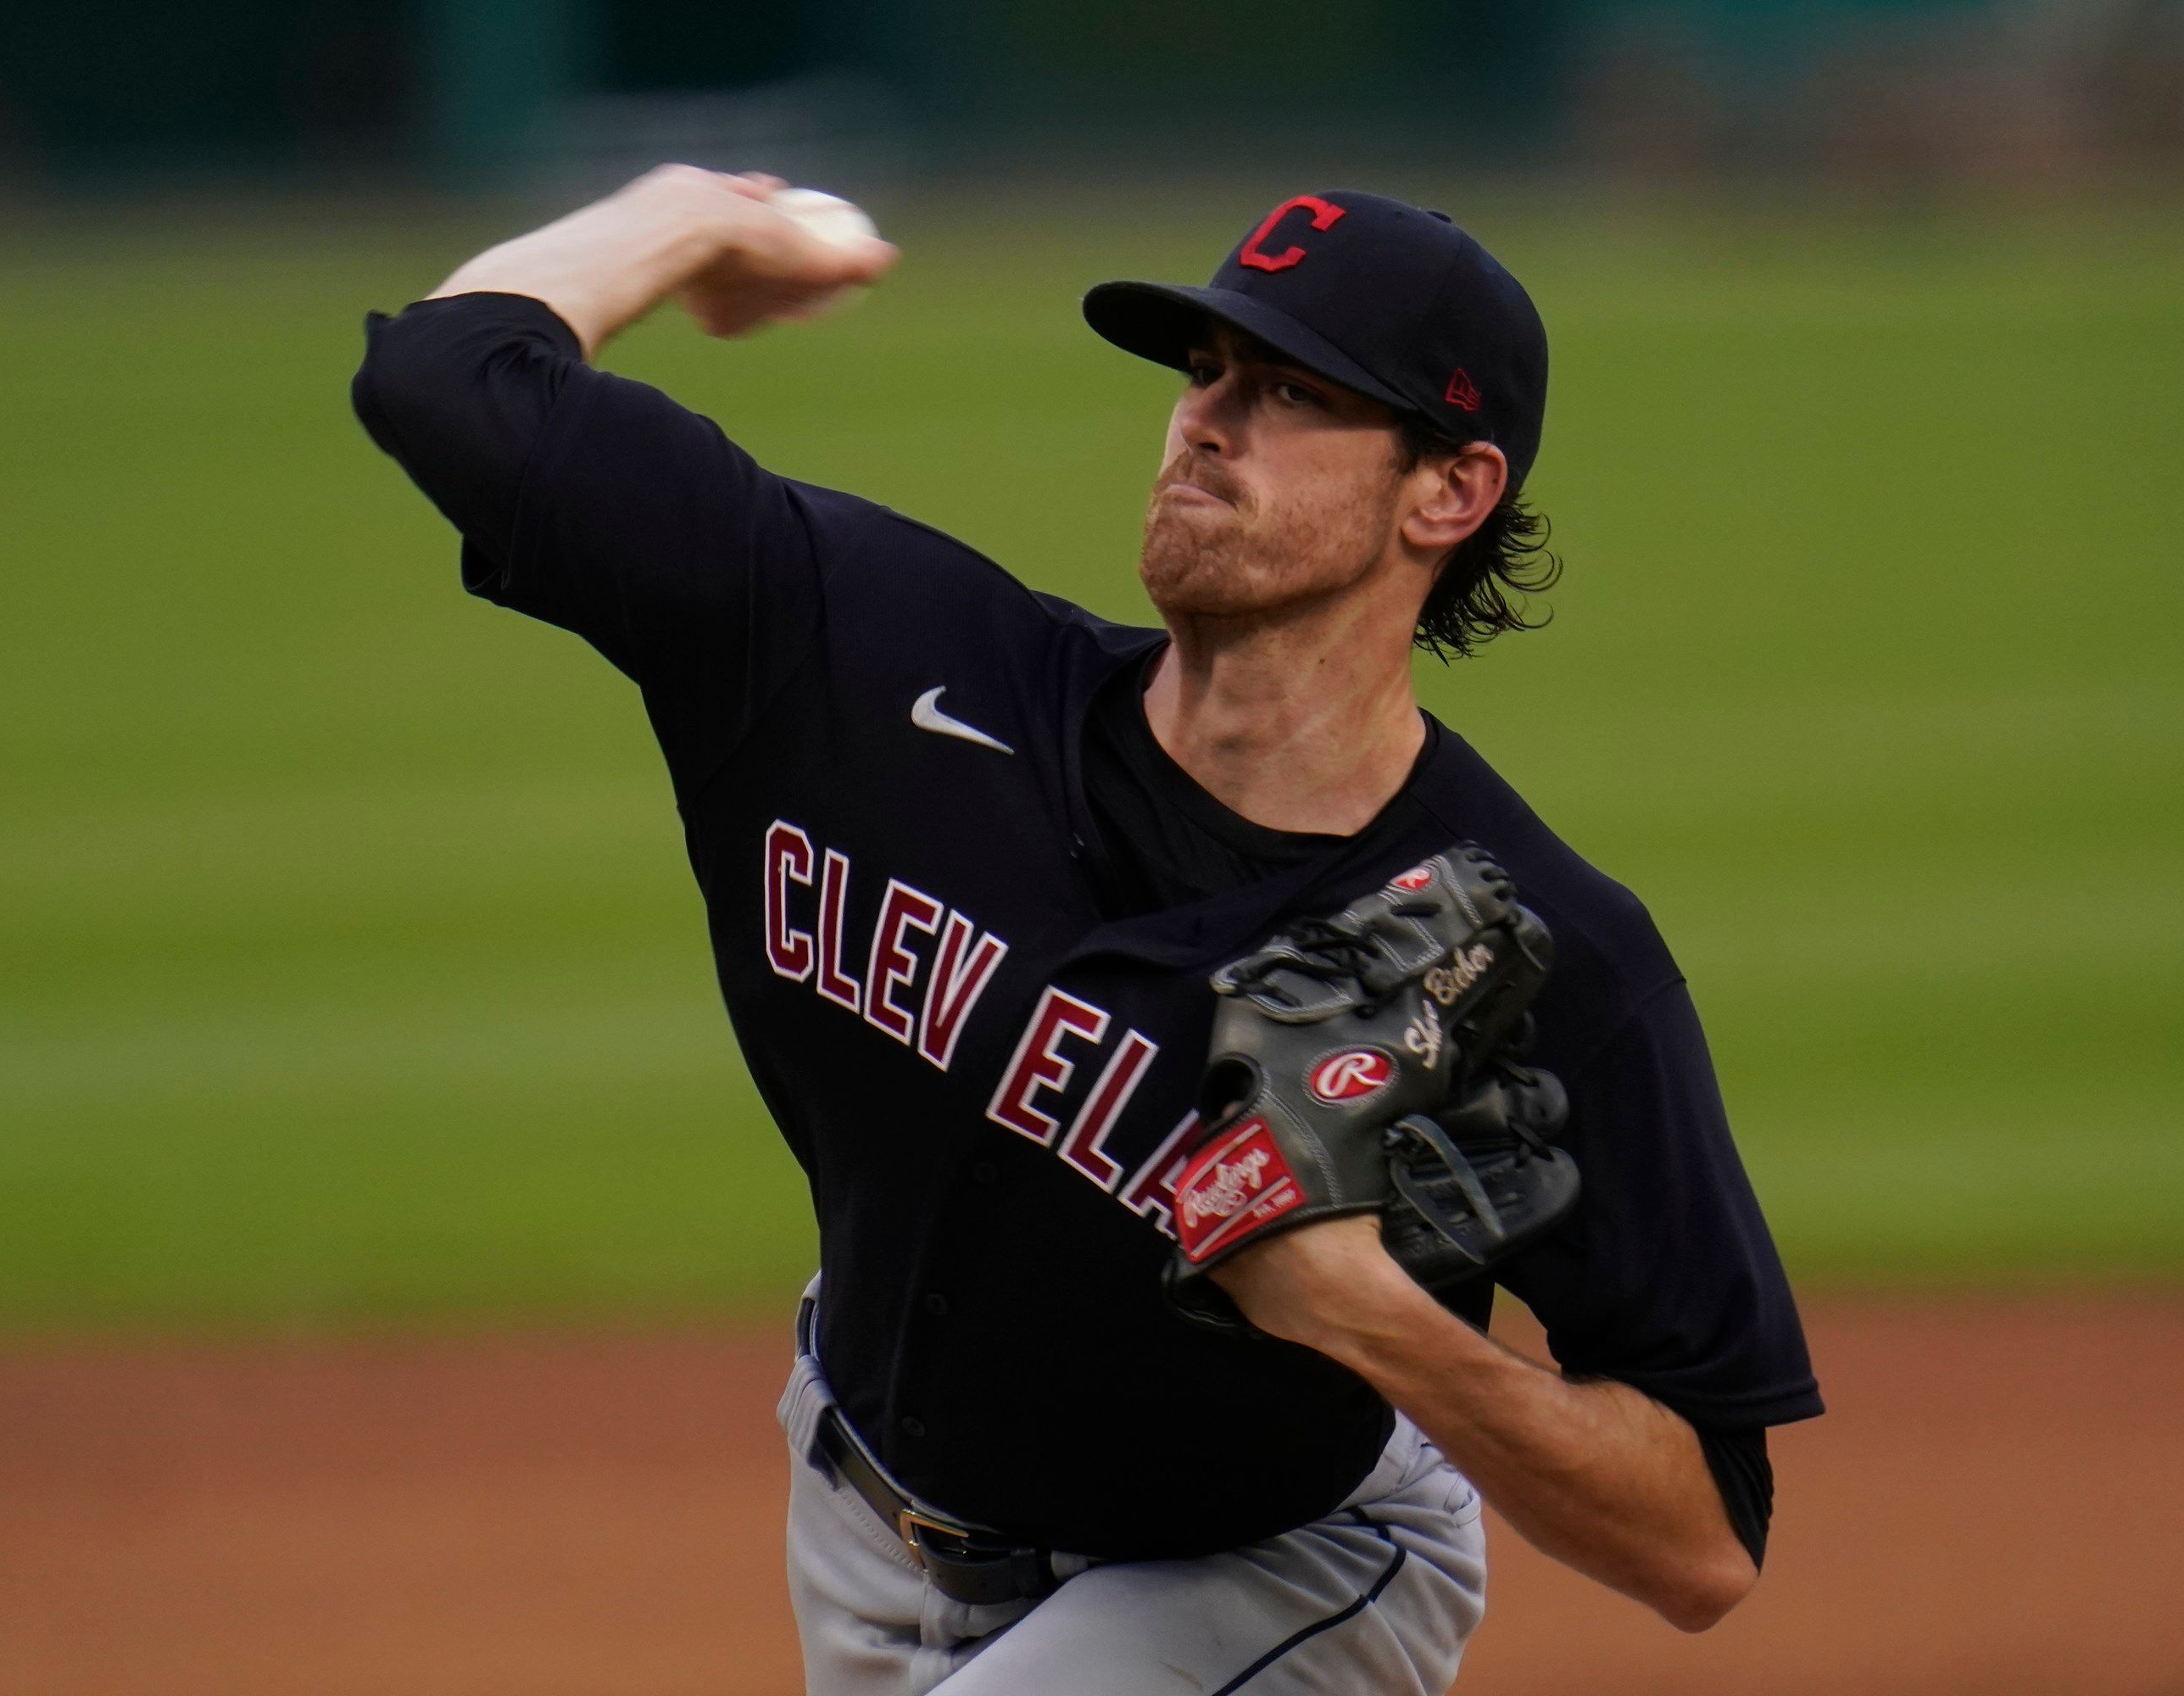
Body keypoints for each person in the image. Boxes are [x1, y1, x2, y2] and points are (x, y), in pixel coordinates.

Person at [352, 166, 1822, 1695]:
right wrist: (695, 216)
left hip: (1268, 1579)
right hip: (856, 1535)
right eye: (1206, 372)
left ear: (1446, 490)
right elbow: (448, 376)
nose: (1206, 420)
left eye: (1291, 389)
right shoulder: (871, 655)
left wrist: (1387, 1329)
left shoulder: (1526, 950)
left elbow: (1704, 1543)